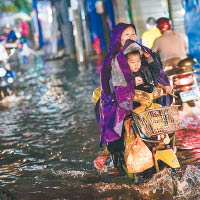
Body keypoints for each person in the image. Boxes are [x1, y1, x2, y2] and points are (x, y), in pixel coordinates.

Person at [94, 23, 172, 171]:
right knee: (118, 125)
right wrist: (122, 95)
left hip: (144, 95)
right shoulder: (114, 58)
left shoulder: (141, 52)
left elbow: (155, 70)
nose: (131, 37)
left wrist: (164, 84)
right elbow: (109, 83)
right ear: (119, 37)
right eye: (126, 34)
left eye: (133, 34)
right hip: (119, 99)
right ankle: (109, 151)